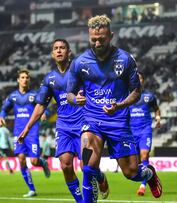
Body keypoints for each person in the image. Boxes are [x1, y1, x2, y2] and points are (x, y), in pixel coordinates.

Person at [66, 15, 162, 202]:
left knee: (132, 172)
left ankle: (149, 174)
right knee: (87, 166)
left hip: (118, 122)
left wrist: (119, 105)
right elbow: (69, 94)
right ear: (89, 36)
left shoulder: (125, 59)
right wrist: (75, 99)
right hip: (91, 121)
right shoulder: (79, 62)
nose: (97, 42)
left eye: (102, 39)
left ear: (111, 35)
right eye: (94, 39)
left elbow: (136, 92)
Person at [18, 39, 109, 203]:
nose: (59, 50)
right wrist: (27, 128)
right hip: (64, 126)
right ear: (53, 54)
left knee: (86, 168)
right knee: (66, 165)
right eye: (56, 48)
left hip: (84, 124)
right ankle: (81, 201)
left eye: (62, 48)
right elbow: (40, 106)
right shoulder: (49, 79)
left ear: (69, 52)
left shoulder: (81, 71)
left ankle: (100, 177)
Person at [0, 69, 51, 198]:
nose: (25, 79)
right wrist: (1, 117)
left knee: (33, 161)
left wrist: (45, 113)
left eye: (27, 77)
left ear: (29, 80)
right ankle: (32, 189)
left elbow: (45, 108)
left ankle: (42, 163)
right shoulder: (13, 96)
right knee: (21, 160)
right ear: (18, 80)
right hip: (18, 132)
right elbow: (5, 109)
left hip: (32, 131)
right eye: (22, 77)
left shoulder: (35, 95)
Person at [129, 71, 161, 196]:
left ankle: (142, 186)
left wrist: (158, 119)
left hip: (144, 130)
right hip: (131, 132)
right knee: (135, 162)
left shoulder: (149, 96)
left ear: (143, 81)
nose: (138, 80)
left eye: (140, 78)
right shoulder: (127, 96)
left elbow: (156, 109)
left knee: (144, 155)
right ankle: (149, 175)